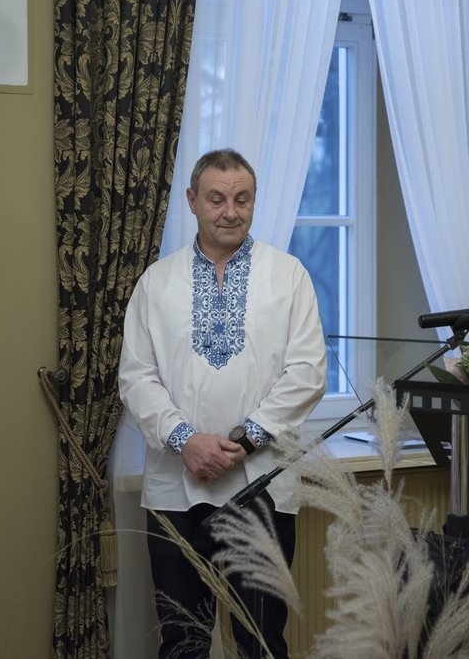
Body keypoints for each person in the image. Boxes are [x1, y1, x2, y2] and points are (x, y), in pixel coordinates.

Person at [119, 149, 328, 659]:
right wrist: (185, 441)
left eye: (242, 199)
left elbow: (307, 373)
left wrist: (246, 439)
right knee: (182, 640)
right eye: (216, 199)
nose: (230, 212)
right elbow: (136, 377)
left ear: (254, 200)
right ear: (192, 201)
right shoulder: (156, 283)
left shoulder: (289, 276)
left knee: (261, 642)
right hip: (175, 489)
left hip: (262, 486)